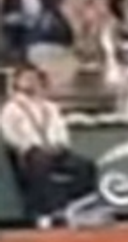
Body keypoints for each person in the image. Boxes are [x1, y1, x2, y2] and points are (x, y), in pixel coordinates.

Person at [0, 66, 100, 228]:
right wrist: (26, 146)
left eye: (33, 78)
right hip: (30, 153)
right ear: (17, 82)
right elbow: (9, 133)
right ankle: (45, 212)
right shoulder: (11, 108)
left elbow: (61, 129)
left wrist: (59, 144)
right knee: (40, 163)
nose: (30, 81)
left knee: (85, 166)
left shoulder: (51, 107)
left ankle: (80, 207)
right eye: (25, 78)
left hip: (55, 150)